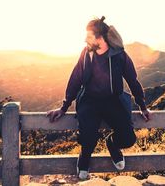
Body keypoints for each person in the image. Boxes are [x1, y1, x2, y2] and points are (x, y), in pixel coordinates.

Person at [47, 16, 152, 180]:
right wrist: (64, 107)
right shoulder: (86, 53)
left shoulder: (119, 55)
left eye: (89, 36)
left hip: (113, 101)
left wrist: (142, 106)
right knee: (88, 138)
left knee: (128, 138)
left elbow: (132, 80)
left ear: (101, 38)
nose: (85, 40)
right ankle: (85, 156)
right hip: (90, 101)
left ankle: (112, 144)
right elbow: (76, 78)